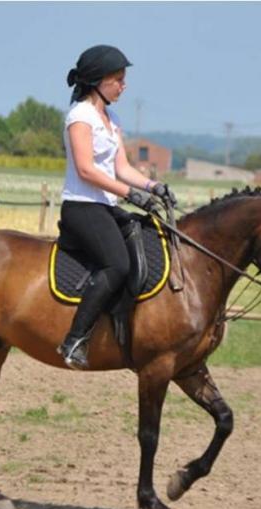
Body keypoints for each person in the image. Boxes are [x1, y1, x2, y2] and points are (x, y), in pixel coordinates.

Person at [58, 44, 176, 370]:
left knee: (149, 240)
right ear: (98, 80)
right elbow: (86, 170)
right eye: (118, 79)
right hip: (82, 208)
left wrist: (153, 187)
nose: (123, 86)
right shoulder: (80, 116)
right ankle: (75, 339)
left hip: (105, 206)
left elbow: (121, 167)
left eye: (124, 80)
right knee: (117, 265)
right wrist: (129, 194)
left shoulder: (112, 118)